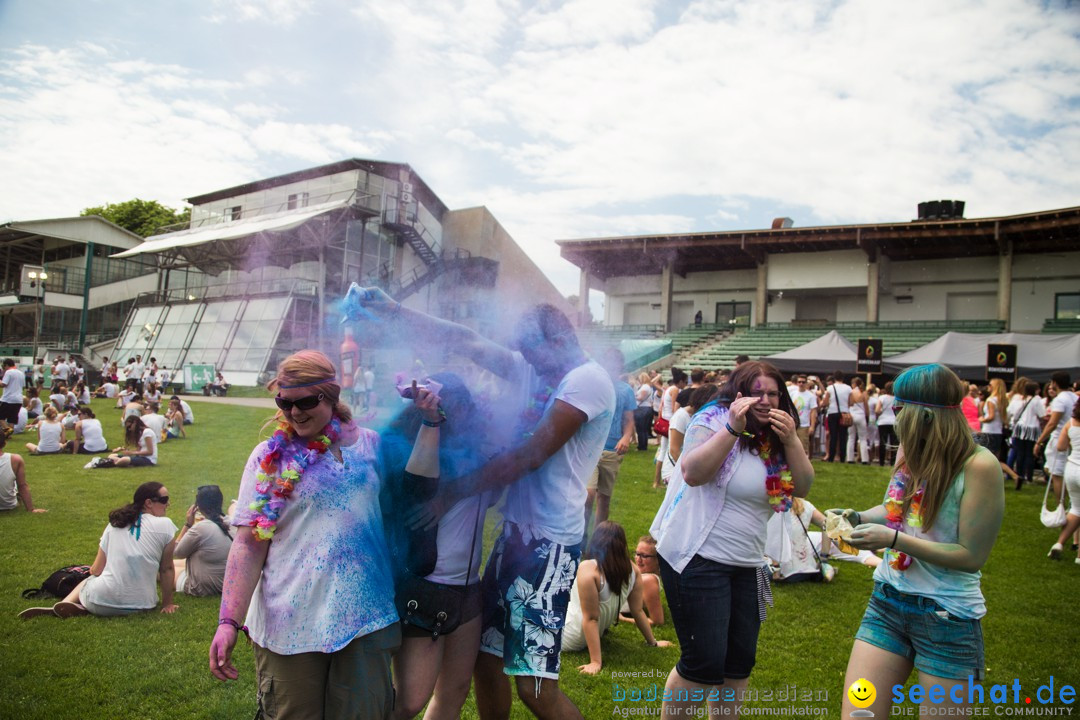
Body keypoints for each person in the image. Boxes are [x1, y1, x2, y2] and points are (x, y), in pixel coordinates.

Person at [342, 286, 615, 720]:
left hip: (548, 545)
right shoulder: (538, 368)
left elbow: (530, 455)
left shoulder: (587, 381)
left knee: (535, 687)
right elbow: (464, 340)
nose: (526, 362)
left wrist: (451, 492)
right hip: (515, 537)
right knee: (486, 664)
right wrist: (395, 311)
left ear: (558, 341)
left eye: (532, 352)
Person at [209, 350, 409, 719]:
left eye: (305, 402)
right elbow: (248, 545)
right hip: (289, 623)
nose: (294, 412)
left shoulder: (370, 447)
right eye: (284, 403)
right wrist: (227, 622)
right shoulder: (268, 459)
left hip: (366, 616)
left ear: (330, 396)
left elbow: (404, 513)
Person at [835, 363, 1004, 718]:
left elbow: (971, 555)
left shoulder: (980, 465)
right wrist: (859, 518)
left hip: (947, 616)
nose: (893, 416)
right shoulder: (912, 450)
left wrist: (894, 540)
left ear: (925, 416)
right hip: (888, 602)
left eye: (899, 409)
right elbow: (894, 507)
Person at [650, 360, 814, 716]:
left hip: (748, 562)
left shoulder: (775, 435)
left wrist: (792, 442)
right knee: (703, 663)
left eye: (773, 393)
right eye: (758, 393)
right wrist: (733, 429)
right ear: (739, 394)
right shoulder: (711, 420)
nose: (767, 400)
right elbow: (693, 473)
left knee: (739, 663)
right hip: (698, 557)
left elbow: (799, 488)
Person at [381, 372, 493, 720]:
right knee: (410, 701)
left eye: (462, 403)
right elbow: (419, 485)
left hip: (467, 588)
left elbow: (496, 485)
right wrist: (431, 421)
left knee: (453, 695)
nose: (458, 411)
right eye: (449, 404)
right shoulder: (419, 445)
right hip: (425, 589)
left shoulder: (476, 454)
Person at [19, 482, 177, 619]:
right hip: (143, 605)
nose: (168, 504)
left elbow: (96, 569)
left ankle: (66, 604)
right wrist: (167, 604)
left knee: (89, 580)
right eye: (164, 500)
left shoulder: (115, 524)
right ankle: (79, 607)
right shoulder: (166, 525)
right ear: (148, 503)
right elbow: (167, 568)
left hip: (100, 602)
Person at [561, 522, 671, 675]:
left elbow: (591, 618)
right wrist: (653, 642)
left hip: (569, 636)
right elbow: (638, 611)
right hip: (590, 635)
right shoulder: (632, 570)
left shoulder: (587, 568)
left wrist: (595, 662)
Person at [584, 348, 635, 539]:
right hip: (590, 449)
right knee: (588, 496)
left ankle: (598, 541)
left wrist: (626, 437)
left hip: (612, 449)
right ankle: (579, 538)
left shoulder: (625, 389)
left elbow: (629, 419)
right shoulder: (594, 386)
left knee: (604, 498)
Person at [174, 485, 233, 596]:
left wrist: (188, 524)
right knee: (174, 563)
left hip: (205, 587)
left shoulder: (201, 528)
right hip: (228, 582)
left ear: (198, 506)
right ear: (220, 502)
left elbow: (177, 552)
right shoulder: (233, 522)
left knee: (162, 568)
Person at [764, 497, 837, 582]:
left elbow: (775, 536)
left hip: (782, 572)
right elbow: (828, 524)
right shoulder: (805, 505)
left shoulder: (769, 505)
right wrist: (824, 560)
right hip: (807, 568)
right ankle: (825, 569)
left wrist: (776, 568)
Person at [1035, 372, 1077, 511]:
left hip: (1059, 439)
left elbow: (1053, 423)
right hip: (1071, 439)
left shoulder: (1060, 399)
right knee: (1063, 473)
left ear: (1054, 383)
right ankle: (1070, 504)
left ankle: (1061, 507)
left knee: (1057, 475)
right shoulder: (1073, 396)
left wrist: (1039, 441)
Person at [1048, 401, 1080, 563]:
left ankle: (1059, 543)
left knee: (1076, 509)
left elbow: (1060, 446)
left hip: (1072, 468)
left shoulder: (1071, 423)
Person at [620, 535, 665, 627]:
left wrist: (622, 618)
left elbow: (657, 621)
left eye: (644, 556)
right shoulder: (640, 573)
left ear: (658, 560)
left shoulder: (649, 580)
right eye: (637, 554)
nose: (638, 559)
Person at [654, 368, 687, 488]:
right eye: (685, 382)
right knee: (667, 451)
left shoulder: (668, 388)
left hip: (665, 420)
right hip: (670, 423)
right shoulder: (675, 390)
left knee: (663, 451)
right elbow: (674, 408)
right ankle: (659, 480)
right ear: (681, 381)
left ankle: (657, 481)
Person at [1009, 380, 1046, 490]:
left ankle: (1019, 475)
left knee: (1020, 453)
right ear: (1036, 390)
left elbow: (1014, 414)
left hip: (1020, 428)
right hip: (1031, 428)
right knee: (1029, 454)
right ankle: (1028, 477)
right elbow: (1042, 415)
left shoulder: (1021, 399)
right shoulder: (1037, 401)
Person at [0, 427, 46, 513]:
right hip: (8, 504)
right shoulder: (15, 459)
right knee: (15, 483)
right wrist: (31, 509)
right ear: (4, 444)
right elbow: (22, 486)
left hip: (8, 504)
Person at [87, 416, 157, 468]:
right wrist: (129, 452)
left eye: (130, 426)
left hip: (149, 459)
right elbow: (139, 450)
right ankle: (116, 462)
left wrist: (132, 453)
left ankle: (105, 463)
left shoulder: (147, 432)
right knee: (112, 455)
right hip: (140, 457)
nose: (129, 429)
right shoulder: (139, 433)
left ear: (135, 423)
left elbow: (150, 452)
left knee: (124, 460)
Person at [825, 371, 852, 463]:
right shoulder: (848, 388)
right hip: (844, 413)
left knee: (833, 436)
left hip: (832, 412)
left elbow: (825, 402)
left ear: (834, 378)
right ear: (843, 378)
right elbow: (850, 403)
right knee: (843, 437)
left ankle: (831, 457)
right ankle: (842, 458)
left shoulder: (830, 388)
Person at [788, 376, 817, 460]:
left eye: (803, 382)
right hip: (792, 424)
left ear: (806, 383)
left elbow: (813, 411)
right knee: (791, 446)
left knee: (803, 447)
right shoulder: (792, 394)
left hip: (804, 425)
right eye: (799, 382)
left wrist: (812, 426)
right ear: (797, 383)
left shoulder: (811, 396)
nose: (801, 384)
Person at [846, 377, 870, 464]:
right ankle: (864, 459)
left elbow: (849, 404)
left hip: (852, 415)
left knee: (851, 437)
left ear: (853, 384)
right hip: (861, 416)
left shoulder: (851, 393)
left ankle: (850, 458)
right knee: (863, 438)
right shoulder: (863, 393)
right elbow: (866, 407)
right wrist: (867, 416)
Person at [876, 382, 899, 467]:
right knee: (894, 443)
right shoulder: (897, 399)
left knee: (882, 442)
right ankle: (892, 462)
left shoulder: (882, 398)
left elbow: (877, 410)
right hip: (894, 422)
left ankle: (881, 461)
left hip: (883, 422)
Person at [633, 372, 656, 451]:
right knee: (644, 429)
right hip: (647, 408)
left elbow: (641, 398)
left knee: (641, 428)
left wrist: (634, 396)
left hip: (643, 409)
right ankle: (643, 445)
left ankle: (641, 446)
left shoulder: (645, 387)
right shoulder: (647, 387)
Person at [0, 358, 26, 429]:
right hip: (18, 399)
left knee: (1, 417)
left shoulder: (9, 372)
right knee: (12, 419)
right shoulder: (21, 373)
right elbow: (23, 386)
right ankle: (9, 435)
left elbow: (3, 384)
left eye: (4, 366)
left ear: (7, 365)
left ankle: (7, 430)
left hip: (8, 399)